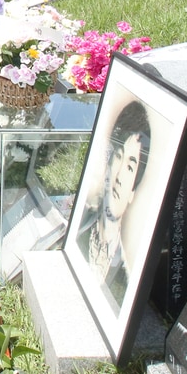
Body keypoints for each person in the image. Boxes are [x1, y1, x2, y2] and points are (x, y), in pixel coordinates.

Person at [72, 100, 151, 309]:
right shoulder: (80, 229)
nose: (119, 175)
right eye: (118, 156)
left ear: (134, 189)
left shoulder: (125, 271)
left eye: (130, 167)